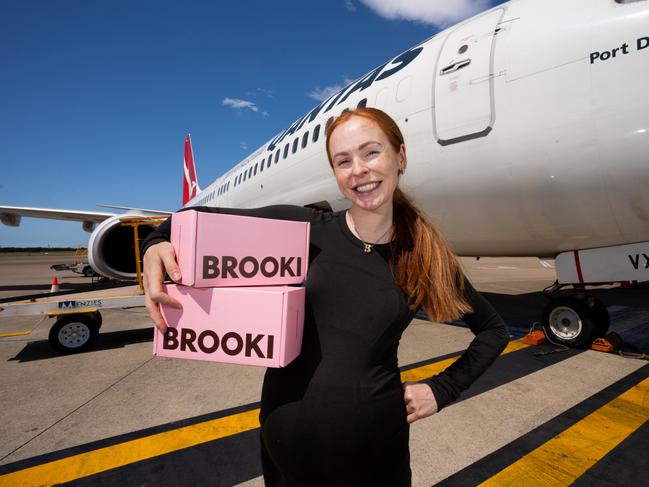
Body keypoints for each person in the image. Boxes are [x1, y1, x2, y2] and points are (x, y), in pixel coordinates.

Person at [142, 107, 509, 486]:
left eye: (371, 152)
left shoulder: (423, 254)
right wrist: (155, 244)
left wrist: (442, 390)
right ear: (336, 175)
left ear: (400, 157)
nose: (359, 170)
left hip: (376, 459)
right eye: (343, 161)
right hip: (286, 454)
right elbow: (191, 218)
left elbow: (493, 331)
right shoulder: (301, 230)